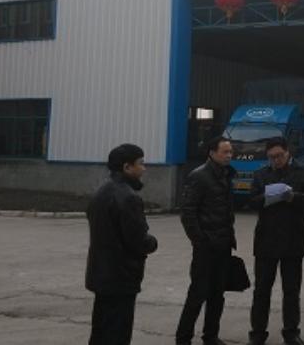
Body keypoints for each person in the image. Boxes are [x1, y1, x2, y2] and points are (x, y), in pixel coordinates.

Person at [247, 137, 304, 345]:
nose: (276, 160)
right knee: (262, 290)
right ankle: (257, 333)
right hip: (266, 239)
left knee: (291, 290)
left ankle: (291, 332)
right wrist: (267, 197)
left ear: (288, 152)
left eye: (279, 156)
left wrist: (293, 197)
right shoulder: (261, 174)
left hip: (293, 238)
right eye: (271, 157)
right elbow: (251, 201)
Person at [85, 143, 158, 345]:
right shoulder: (129, 198)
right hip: (121, 275)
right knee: (117, 332)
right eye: (140, 164)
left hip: (101, 273)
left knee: (101, 330)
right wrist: (152, 242)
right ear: (127, 167)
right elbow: (138, 240)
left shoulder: (101, 191)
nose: (144, 169)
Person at [176, 136, 237, 345]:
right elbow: (188, 212)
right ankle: (183, 338)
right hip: (206, 246)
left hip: (223, 244)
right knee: (197, 293)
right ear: (212, 153)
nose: (229, 155)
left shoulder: (226, 174)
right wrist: (199, 240)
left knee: (217, 294)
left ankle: (210, 336)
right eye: (225, 152)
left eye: (230, 152)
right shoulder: (199, 176)